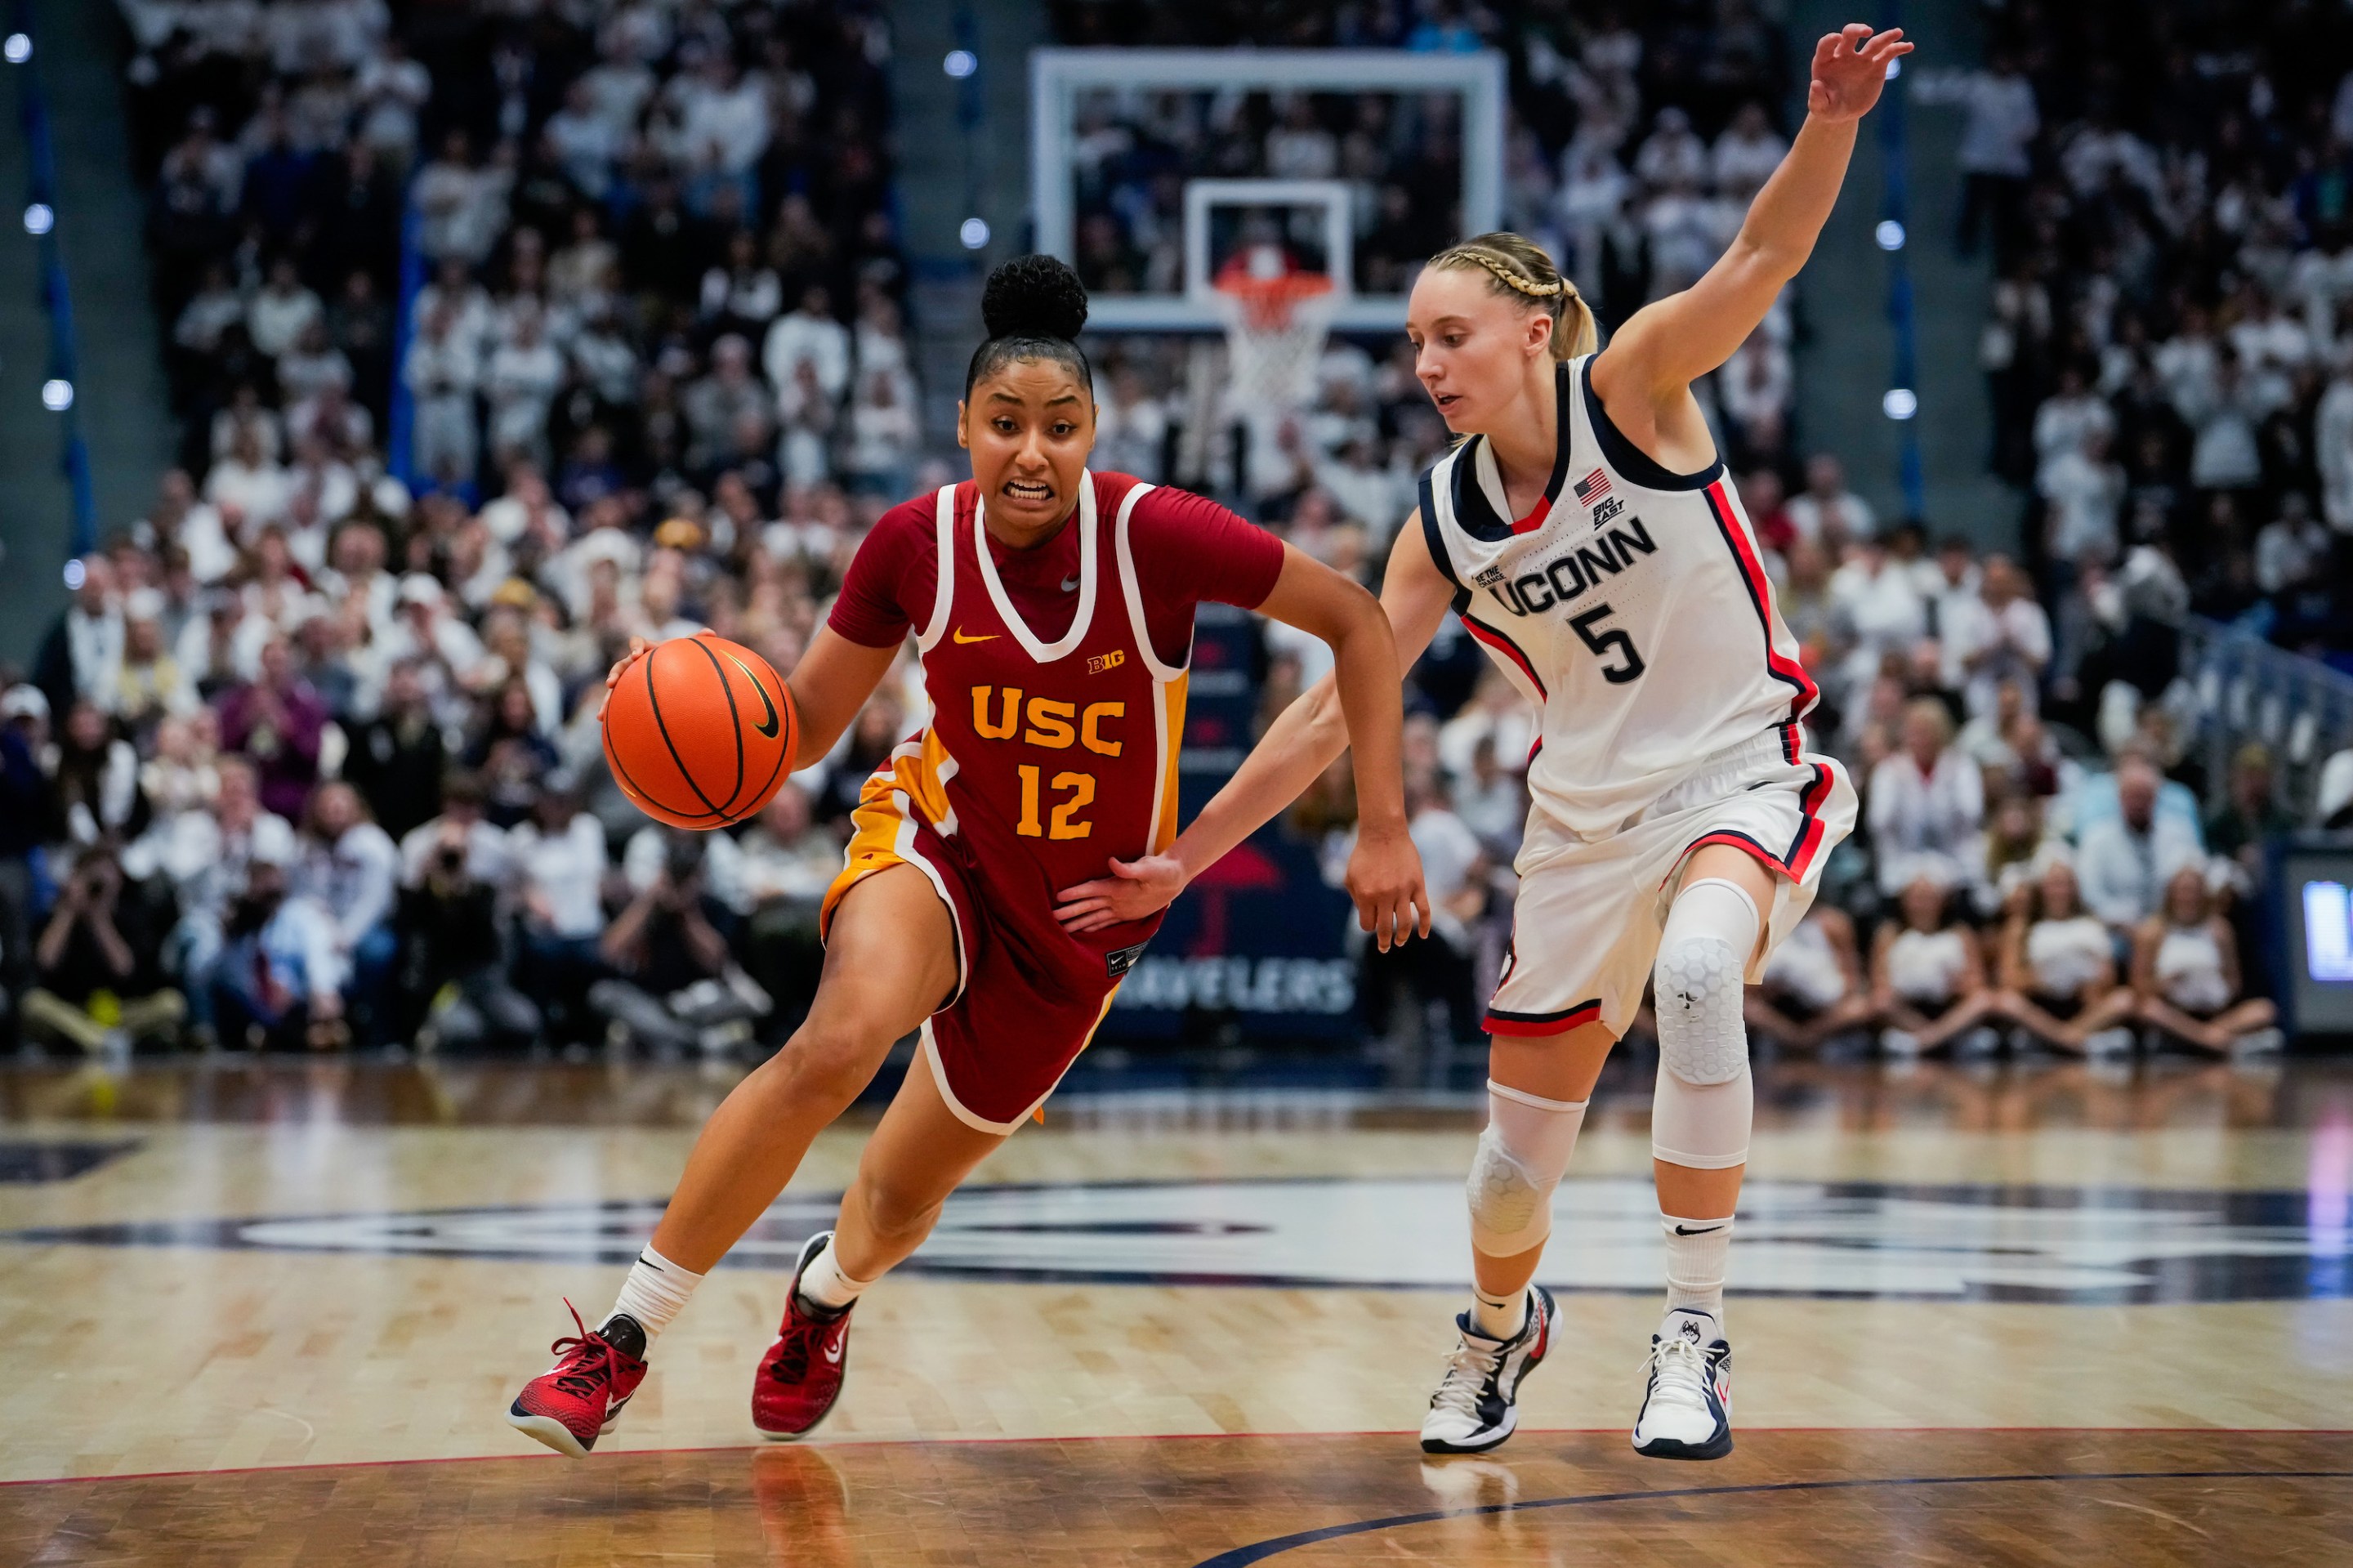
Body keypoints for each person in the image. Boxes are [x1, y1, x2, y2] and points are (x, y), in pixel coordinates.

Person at [1057, 25, 1904, 1463]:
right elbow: (1335, 705)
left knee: (1703, 973)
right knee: (1511, 1182)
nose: (1428, 362)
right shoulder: (1441, 518)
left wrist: (1826, 125)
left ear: (1530, 328)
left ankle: (1691, 1327)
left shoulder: (1633, 387)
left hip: (1737, 771)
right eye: (1413, 344)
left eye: (1451, 334)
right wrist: (1180, 861)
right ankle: (1500, 1325)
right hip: (1579, 826)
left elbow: (1757, 264)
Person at [505, 254, 1426, 1459]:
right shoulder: (912, 542)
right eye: (1005, 425)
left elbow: (1357, 617)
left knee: (894, 1202)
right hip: (936, 843)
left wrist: (1384, 822)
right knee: (835, 1041)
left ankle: (824, 1295)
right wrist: (682, 701)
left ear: (1095, 429)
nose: (1031, 452)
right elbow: (800, 730)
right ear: (964, 427)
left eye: (1060, 426)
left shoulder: (1159, 534)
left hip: (1080, 924)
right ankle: (622, 1336)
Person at [20, 847, 184, 1055]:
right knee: (33, 1005)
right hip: (73, 1011)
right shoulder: (56, 916)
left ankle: (93, 1041)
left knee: (171, 1003)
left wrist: (99, 918)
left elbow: (124, 969)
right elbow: (45, 962)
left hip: (121, 1011)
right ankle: (100, 1041)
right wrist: (69, 911)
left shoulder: (131, 917)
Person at [2129, 865, 2280, 1057]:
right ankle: (2219, 1043)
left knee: (2264, 1009)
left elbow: (2234, 982)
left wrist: (2217, 988)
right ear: (2170, 894)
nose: (2189, 898)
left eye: (2194, 891)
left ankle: (2200, 1040)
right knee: (2149, 1010)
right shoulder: (2152, 931)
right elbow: (2138, 988)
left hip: (2214, 1014)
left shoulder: (2220, 930)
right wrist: (2164, 985)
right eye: (2183, 891)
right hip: (2173, 1014)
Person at [1994, 857, 2136, 1057]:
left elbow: (2109, 977)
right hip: (2040, 1005)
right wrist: (2042, 980)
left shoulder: (2092, 925)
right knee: (2008, 1002)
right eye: (2054, 885)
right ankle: (2079, 1044)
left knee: (2124, 999)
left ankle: (2057, 1040)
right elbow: (2008, 981)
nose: (2060, 891)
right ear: (2041, 888)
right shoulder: (2022, 928)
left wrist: (2090, 981)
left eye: (2066, 884)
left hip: (2082, 1006)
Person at [1869, 873, 1999, 1057]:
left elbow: (1977, 982)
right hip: (1907, 1011)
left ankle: (1924, 1042)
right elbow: (1879, 982)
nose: (1922, 904)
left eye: (1929, 898)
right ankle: (1946, 1041)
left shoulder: (1961, 933)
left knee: (1983, 1000)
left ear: (1943, 901)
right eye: (1916, 898)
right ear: (1904, 901)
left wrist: (1957, 985)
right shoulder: (1889, 934)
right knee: (1880, 1002)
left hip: (1949, 1006)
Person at [1744, 904, 1873, 1053]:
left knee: (1859, 1007)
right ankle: (1795, 1038)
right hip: (1781, 1008)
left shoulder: (1833, 923)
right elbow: (1748, 986)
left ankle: (1807, 1037)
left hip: (1826, 1011)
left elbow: (1852, 978)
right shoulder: (1765, 921)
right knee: (1745, 1006)